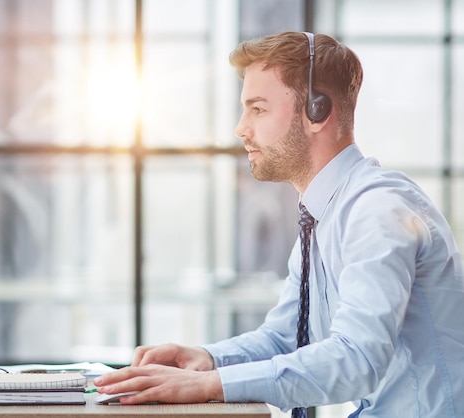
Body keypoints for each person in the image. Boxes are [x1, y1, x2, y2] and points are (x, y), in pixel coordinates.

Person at [93, 31, 464, 417]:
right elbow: (286, 337)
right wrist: (207, 360)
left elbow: (358, 361)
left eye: (258, 109)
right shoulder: (322, 217)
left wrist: (210, 386)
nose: (241, 128)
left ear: (316, 111)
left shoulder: (376, 210)